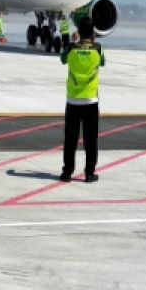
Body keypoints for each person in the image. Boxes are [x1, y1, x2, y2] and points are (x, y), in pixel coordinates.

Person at [59, 18, 104, 182]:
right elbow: (103, 62)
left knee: (70, 139)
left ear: (78, 31)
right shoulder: (98, 49)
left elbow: (62, 59)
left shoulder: (71, 49)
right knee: (91, 140)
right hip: (90, 102)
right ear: (92, 33)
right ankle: (89, 173)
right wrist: (92, 43)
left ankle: (67, 172)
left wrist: (72, 42)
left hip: (73, 101)